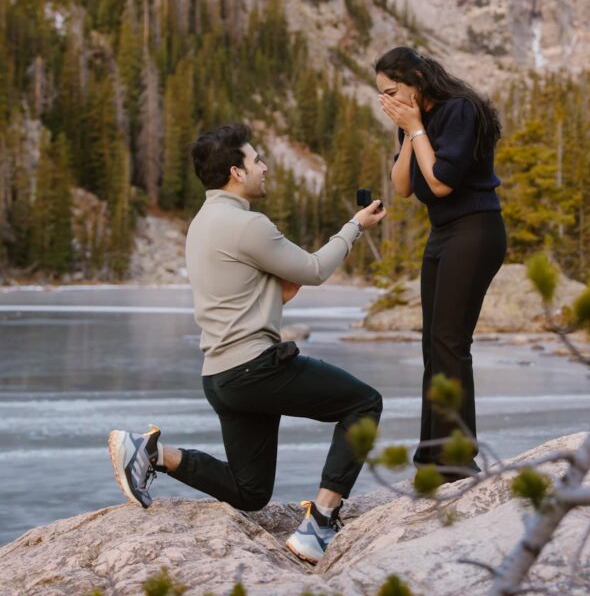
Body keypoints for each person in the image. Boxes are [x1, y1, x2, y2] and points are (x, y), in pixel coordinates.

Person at [108, 122, 385, 564]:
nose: (265, 166)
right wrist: (354, 226)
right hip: (257, 369)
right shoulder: (246, 225)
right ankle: (321, 523)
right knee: (364, 404)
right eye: (257, 160)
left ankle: (155, 453)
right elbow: (313, 270)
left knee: (249, 492)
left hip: (220, 378)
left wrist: (274, 290)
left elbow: (264, 291)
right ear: (237, 172)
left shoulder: (201, 224)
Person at [375, 47, 506, 476]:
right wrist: (409, 131)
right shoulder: (416, 122)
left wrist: (414, 128)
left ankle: (458, 460)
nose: (388, 100)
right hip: (443, 233)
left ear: (417, 79)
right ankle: (432, 453)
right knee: (433, 344)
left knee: (451, 342)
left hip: (475, 229)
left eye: (393, 91)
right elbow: (404, 186)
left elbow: (442, 182)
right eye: (381, 95)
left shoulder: (459, 111)